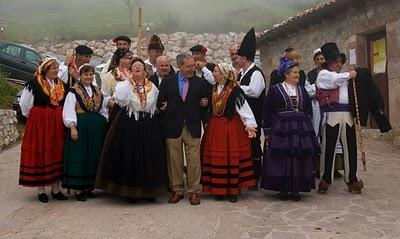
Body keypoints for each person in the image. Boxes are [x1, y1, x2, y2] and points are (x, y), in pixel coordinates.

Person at [96, 58, 167, 202]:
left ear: (145, 70)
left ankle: (149, 191)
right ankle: (130, 192)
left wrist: (162, 108)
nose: (137, 68)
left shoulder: (153, 86)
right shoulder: (124, 85)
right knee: (130, 156)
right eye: (134, 66)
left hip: (149, 124)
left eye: (140, 66)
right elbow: (121, 101)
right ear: (130, 70)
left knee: (149, 157)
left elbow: (156, 104)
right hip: (129, 124)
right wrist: (128, 82)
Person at [261, 58, 320, 201]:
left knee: (298, 157)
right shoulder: (276, 90)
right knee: (284, 157)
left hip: (300, 128)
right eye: (294, 73)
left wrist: (307, 126)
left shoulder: (302, 90)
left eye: (298, 73)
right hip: (282, 128)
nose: (297, 75)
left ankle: (296, 189)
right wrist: (268, 131)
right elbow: (268, 110)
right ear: (286, 74)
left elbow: (307, 109)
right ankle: (284, 188)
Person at [157, 53, 209, 206]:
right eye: (188, 66)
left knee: (193, 161)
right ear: (180, 66)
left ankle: (194, 191)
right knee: (174, 160)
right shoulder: (167, 82)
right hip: (172, 126)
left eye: (193, 66)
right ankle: (177, 190)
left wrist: (204, 105)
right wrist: (163, 108)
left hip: (192, 126)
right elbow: (160, 102)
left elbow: (205, 104)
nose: (192, 69)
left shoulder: (200, 83)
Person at [201, 63, 257, 203]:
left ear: (223, 74)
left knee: (231, 158)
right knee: (218, 158)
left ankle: (233, 190)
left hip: (230, 126)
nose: (213, 74)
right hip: (215, 126)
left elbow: (243, 108)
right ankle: (218, 190)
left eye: (215, 71)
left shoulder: (235, 90)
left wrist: (249, 124)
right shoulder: (213, 89)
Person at [316, 42, 364, 194]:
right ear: (328, 63)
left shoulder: (344, 77)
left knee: (350, 148)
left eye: (340, 61)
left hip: (347, 115)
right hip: (332, 114)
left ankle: (352, 179)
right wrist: (349, 75)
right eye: (335, 62)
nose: (339, 64)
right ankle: (325, 179)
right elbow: (333, 81)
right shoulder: (324, 75)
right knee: (329, 148)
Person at [19, 58, 68, 203]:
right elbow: (25, 105)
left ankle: (56, 189)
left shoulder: (61, 84)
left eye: (57, 67)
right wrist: (37, 117)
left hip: (57, 123)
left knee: (57, 151)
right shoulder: (34, 84)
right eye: (53, 68)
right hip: (40, 122)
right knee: (41, 151)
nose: (56, 70)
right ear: (45, 69)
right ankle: (41, 190)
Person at [62, 64, 111, 201]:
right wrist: (72, 127)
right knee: (81, 155)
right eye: (86, 74)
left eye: (91, 74)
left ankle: (89, 187)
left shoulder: (97, 91)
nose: (89, 77)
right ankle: (79, 189)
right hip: (81, 127)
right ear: (80, 76)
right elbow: (69, 110)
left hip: (95, 129)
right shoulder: (73, 92)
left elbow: (102, 109)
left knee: (93, 156)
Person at [236, 28, 266, 189]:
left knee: (254, 146)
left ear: (244, 58)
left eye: (239, 57)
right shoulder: (242, 72)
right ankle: (247, 177)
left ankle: (256, 178)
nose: (237, 59)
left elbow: (254, 91)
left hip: (254, 116)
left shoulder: (256, 73)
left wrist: (239, 87)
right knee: (246, 146)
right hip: (244, 118)